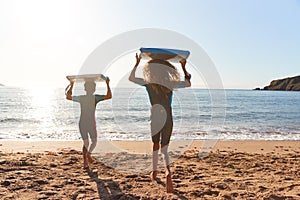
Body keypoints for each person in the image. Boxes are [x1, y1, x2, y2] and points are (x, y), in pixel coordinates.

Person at [129, 53, 191, 193]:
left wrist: (137, 63)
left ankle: (155, 172)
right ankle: (168, 172)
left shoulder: (149, 84)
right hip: (168, 117)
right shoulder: (170, 84)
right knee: (165, 149)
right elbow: (188, 83)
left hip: (156, 117)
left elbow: (131, 78)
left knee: (155, 146)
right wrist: (183, 67)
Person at [65, 78, 112, 169]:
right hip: (90, 122)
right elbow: (109, 96)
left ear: (85, 89)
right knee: (94, 141)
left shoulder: (81, 98)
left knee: (86, 143)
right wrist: (107, 84)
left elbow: (68, 96)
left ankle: (85, 162)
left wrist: (71, 85)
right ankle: (88, 154)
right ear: (94, 89)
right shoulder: (95, 98)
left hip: (82, 122)